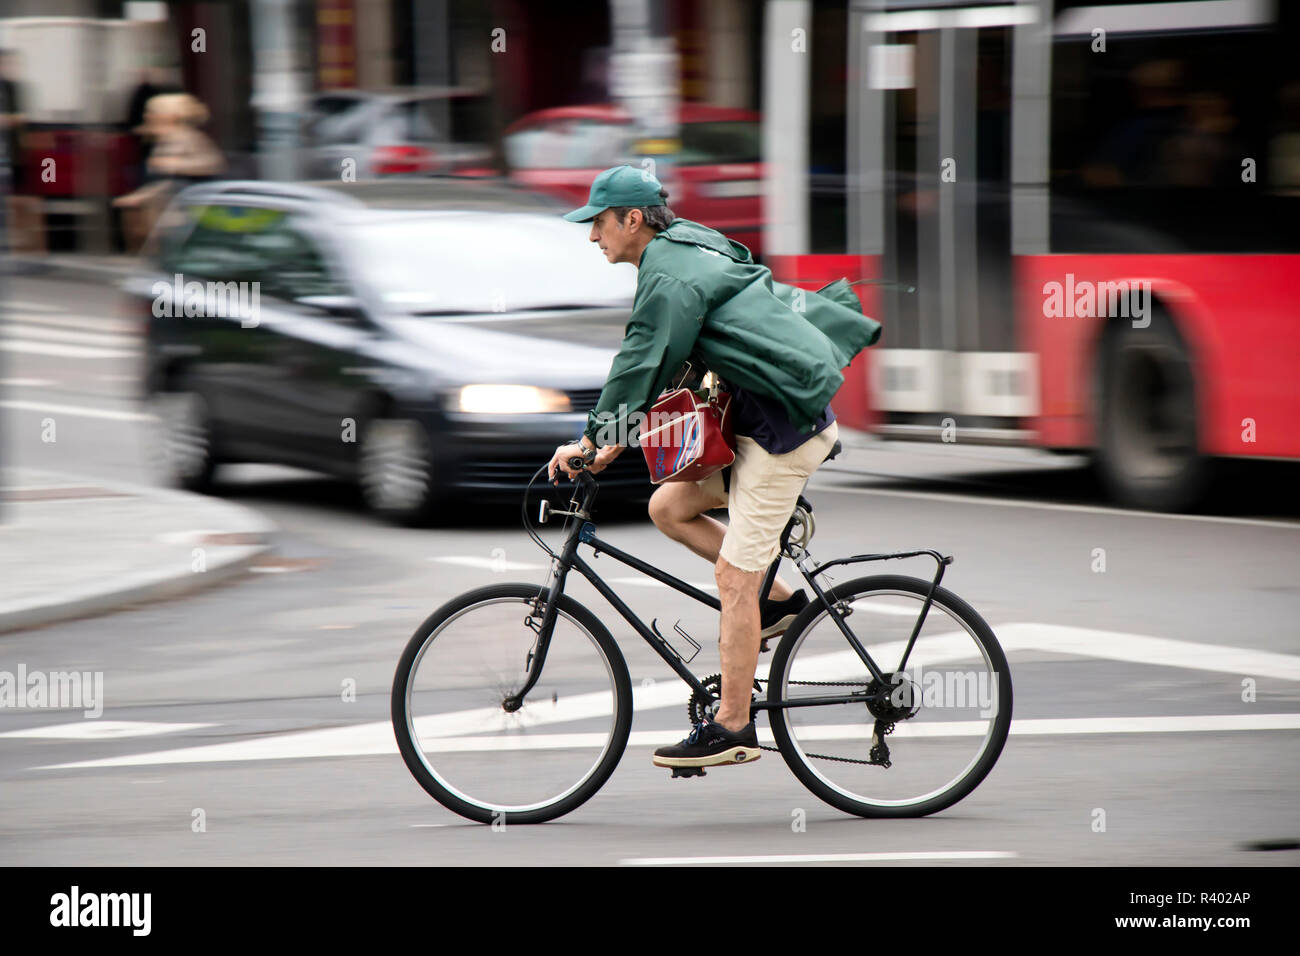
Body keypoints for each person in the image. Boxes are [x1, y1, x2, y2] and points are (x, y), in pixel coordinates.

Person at [546, 165, 881, 770]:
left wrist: (594, 437)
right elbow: (677, 355)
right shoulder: (688, 242)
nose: (592, 237)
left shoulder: (668, 275)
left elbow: (642, 359)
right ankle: (779, 605)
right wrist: (615, 440)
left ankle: (733, 727)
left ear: (631, 219)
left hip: (782, 437)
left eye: (597, 223)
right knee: (668, 506)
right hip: (756, 424)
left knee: (732, 579)